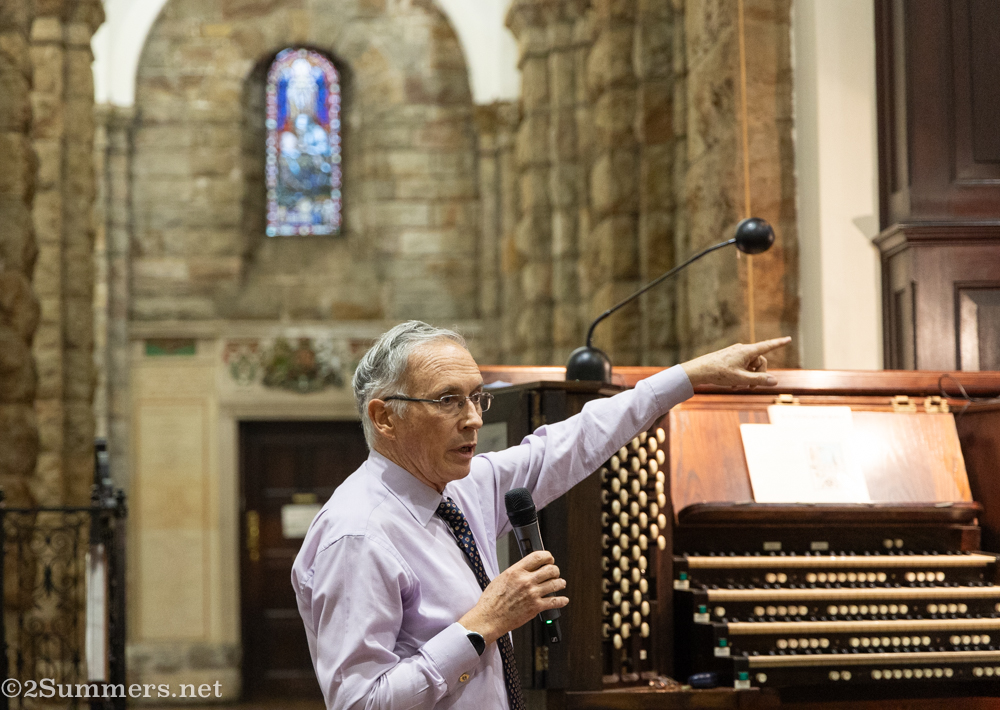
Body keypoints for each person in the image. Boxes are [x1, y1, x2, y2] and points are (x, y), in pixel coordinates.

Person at [292, 321, 790, 710]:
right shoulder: (358, 534)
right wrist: (481, 624)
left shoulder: (462, 487)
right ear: (384, 417)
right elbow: (361, 702)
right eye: (448, 400)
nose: (473, 418)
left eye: (476, 396)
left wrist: (690, 376)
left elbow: (570, 443)